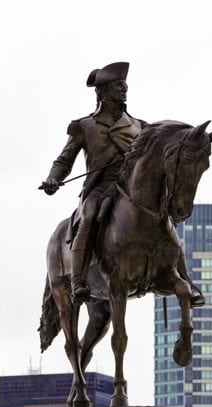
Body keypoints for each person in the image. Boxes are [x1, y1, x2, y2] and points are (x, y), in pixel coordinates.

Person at [39, 62, 143, 301]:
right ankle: (78, 279)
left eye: (125, 85)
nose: (124, 89)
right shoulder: (84, 126)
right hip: (100, 188)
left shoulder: (139, 126)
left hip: (130, 188)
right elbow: (64, 161)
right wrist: (53, 179)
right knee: (88, 217)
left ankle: (180, 277)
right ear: (103, 92)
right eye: (118, 86)